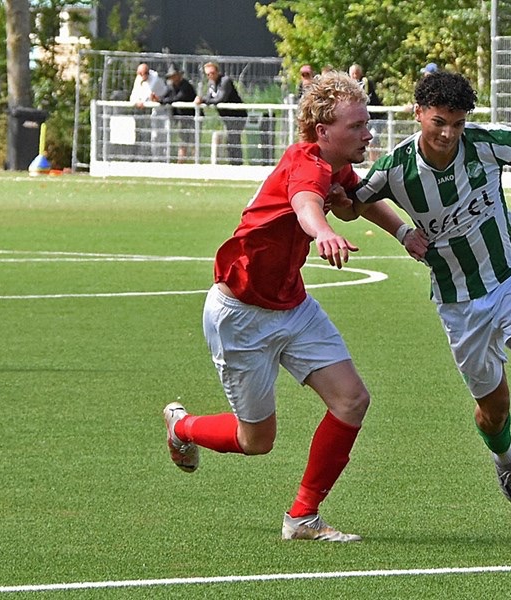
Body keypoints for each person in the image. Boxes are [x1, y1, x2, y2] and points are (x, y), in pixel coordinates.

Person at [332, 71, 511, 528]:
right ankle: (505, 457)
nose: (448, 133)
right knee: (494, 412)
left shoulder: (489, 143)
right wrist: (397, 229)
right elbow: (354, 206)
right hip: (459, 302)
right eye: (439, 122)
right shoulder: (396, 167)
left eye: (457, 124)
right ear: (418, 113)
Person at [163, 71, 412, 542]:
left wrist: (404, 233)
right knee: (256, 441)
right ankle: (183, 427)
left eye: (367, 123)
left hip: (293, 306)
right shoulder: (307, 164)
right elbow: (305, 204)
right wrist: (324, 231)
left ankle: (302, 517)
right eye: (358, 125)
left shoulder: (334, 164)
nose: (368, 133)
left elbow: (358, 198)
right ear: (323, 131)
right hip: (240, 315)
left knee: (352, 400)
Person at [195, 62, 247, 165]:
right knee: (230, 139)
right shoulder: (211, 84)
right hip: (226, 116)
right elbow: (209, 97)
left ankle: (237, 163)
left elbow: (221, 98)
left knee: (233, 139)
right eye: (208, 74)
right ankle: (233, 162)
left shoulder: (225, 81)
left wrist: (203, 100)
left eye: (212, 73)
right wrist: (202, 99)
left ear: (218, 72)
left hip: (237, 115)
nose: (210, 76)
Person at [129, 63, 169, 161]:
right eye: (140, 74)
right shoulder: (139, 78)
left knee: (164, 136)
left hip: (164, 108)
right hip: (154, 110)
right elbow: (133, 96)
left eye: (145, 73)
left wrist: (141, 101)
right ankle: (154, 159)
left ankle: (164, 160)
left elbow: (148, 94)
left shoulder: (155, 78)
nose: (143, 76)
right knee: (153, 136)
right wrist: (137, 101)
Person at [159, 64, 197, 163]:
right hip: (181, 118)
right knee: (182, 141)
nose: (172, 78)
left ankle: (196, 163)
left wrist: (162, 101)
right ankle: (181, 163)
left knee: (194, 142)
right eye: (171, 76)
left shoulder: (186, 85)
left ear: (179, 75)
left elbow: (178, 98)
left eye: (174, 75)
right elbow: (165, 96)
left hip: (193, 118)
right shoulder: (171, 86)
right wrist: (158, 99)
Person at [349, 63, 384, 159]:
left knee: (373, 140)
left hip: (376, 117)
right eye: (352, 74)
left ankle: (374, 162)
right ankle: (367, 161)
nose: (354, 76)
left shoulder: (365, 82)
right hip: (363, 119)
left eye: (356, 73)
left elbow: (365, 97)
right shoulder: (348, 85)